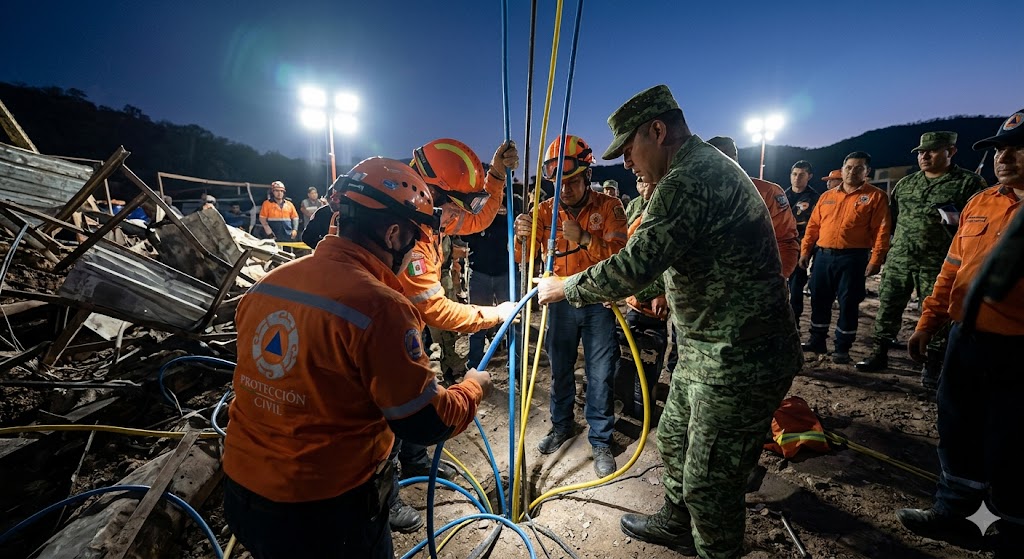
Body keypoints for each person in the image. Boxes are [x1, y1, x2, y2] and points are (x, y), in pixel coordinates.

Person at [535, 85, 801, 559]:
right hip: (706, 349)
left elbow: (635, 264)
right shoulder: (693, 171)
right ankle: (677, 524)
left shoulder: (688, 179)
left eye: (628, 150)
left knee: (709, 480)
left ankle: (716, 549)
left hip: (740, 358)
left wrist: (566, 286)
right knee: (674, 440)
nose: (627, 164)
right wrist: (637, 292)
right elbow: (670, 264)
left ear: (657, 131)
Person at [222, 157, 492, 559]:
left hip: (241, 492)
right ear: (394, 233)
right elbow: (424, 421)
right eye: (414, 237)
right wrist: (472, 388)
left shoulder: (268, 284)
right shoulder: (381, 308)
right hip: (323, 511)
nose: (415, 248)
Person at [895, 111, 1024, 556]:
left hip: (1018, 348)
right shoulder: (982, 201)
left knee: (1011, 438)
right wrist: (928, 322)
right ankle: (954, 511)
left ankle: (1012, 527)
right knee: (957, 426)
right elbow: (952, 268)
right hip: (966, 338)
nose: (1004, 157)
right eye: (999, 149)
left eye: (1018, 149)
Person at [515, 134, 629, 478]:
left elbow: (620, 259)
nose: (565, 189)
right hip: (560, 303)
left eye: (573, 182)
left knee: (600, 373)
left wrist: (584, 238)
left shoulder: (609, 208)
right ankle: (562, 425)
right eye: (559, 183)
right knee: (560, 369)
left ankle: (601, 439)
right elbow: (524, 259)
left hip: (598, 303)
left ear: (588, 176)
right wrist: (520, 236)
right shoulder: (544, 212)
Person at [856, 132, 986, 382]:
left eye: (932, 151)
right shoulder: (906, 184)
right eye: (920, 152)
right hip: (900, 259)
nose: (924, 156)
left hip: (938, 262)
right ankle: (879, 352)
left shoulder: (968, 183)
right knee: (888, 305)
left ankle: (933, 362)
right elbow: (892, 220)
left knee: (936, 312)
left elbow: (978, 224)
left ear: (951, 151)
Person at [799, 152, 891, 364]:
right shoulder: (827, 196)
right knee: (819, 299)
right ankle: (817, 340)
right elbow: (813, 227)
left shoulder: (875, 197)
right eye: (849, 167)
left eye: (859, 168)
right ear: (842, 169)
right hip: (823, 257)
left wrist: (876, 259)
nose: (852, 172)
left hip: (853, 259)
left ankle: (842, 348)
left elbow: (882, 231)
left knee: (848, 303)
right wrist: (805, 251)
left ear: (867, 171)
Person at [707, 136, 800, 278]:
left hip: (752, 283)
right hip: (706, 284)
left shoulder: (766, 192)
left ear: (734, 158)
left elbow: (785, 241)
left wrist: (775, 279)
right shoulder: (695, 195)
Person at [619, 179, 669, 419]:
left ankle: (644, 410)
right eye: (639, 181)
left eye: (650, 181)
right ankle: (631, 406)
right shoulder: (635, 210)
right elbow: (624, 252)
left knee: (650, 360)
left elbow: (670, 260)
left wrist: (660, 292)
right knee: (628, 358)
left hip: (656, 308)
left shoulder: (668, 210)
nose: (645, 185)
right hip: (634, 302)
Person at [463, 192, 523, 369]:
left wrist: (507, 217)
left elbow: (521, 232)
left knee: (513, 320)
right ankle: (475, 364)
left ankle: (516, 364)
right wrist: (486, 214)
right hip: (479, 271)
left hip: (507, 271)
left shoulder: (515, 201)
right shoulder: (476, 200)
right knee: (476, 320)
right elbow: (466, 234)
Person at [786, 160, 820, 328]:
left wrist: (808, 251)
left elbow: (816, 226)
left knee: (796, 288)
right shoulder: (781, 195)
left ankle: (794, 323)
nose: (797, 178)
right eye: (794, 174)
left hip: (801, 248)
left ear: (809, 176)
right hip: (781, 247)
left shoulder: (815, 199)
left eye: (801, 175)